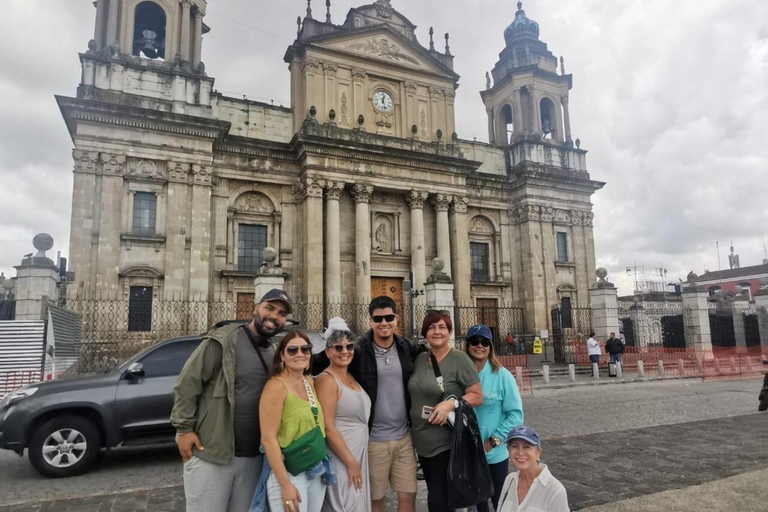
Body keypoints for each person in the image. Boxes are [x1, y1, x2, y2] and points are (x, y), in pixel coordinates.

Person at [171, 289, 292, 512]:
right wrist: (184, 429)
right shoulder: (224, 340)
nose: (275, 316)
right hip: (214, 453)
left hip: (254, 457)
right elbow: (188, 383)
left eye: (282, 313)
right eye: (270, 308)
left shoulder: (276, 351)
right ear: (256, 308)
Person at [313, 295, 421, 512]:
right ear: (370, 321)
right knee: (374, 499)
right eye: (378, 318)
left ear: (396, 319)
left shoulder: (405, 347)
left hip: (404, 438)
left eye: (389, 317)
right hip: (374, 440)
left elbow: (432, 355)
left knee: (409, 495)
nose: (384, 323)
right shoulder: (358, 350)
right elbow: (325, 360)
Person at [408, 311, 483, 512]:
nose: (437, 331)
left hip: (446, 443)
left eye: (442, 327)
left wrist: (450, 404)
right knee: (436, 492)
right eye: (431, 327)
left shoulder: (459, 359)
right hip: (421, 443)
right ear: (425, 332)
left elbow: (476, 395)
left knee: (438, 501)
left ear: (450, 332)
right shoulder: (420, 359)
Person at [261, 331, 328, 512]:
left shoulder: (308, 381)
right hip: (289, 472)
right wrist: (285, 485)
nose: (300, 354)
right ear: (282, 355)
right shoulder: (276, 386)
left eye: (305, 349)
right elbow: (268, 439)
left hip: (314, 466)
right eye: (292, 350)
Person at [465, 325, 524, 512]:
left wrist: (494, 440)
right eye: (474, 341)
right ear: (467, 345)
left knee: (499, 499)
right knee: (478, 500)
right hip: (468, 452)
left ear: (490, 346)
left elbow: (516, 415)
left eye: (484, 342)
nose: (479, 345)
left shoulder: (503, 376)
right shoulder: (460, 375)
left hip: (494, 452)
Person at [315, 318, 372, 512]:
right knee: (346, 504)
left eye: (349, 346)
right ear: (328, 351)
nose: (345, 351)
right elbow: (328, 427)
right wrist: (350, 462)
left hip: (357, 452)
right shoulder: (326, 380)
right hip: (342, 456)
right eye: (338, 348)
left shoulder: (351, 376)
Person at [496, 425, 569, 512]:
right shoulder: (510, 480)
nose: (520, 453)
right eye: (514, 446)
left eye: (526, 447)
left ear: (538, 453)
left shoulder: (555, 490)